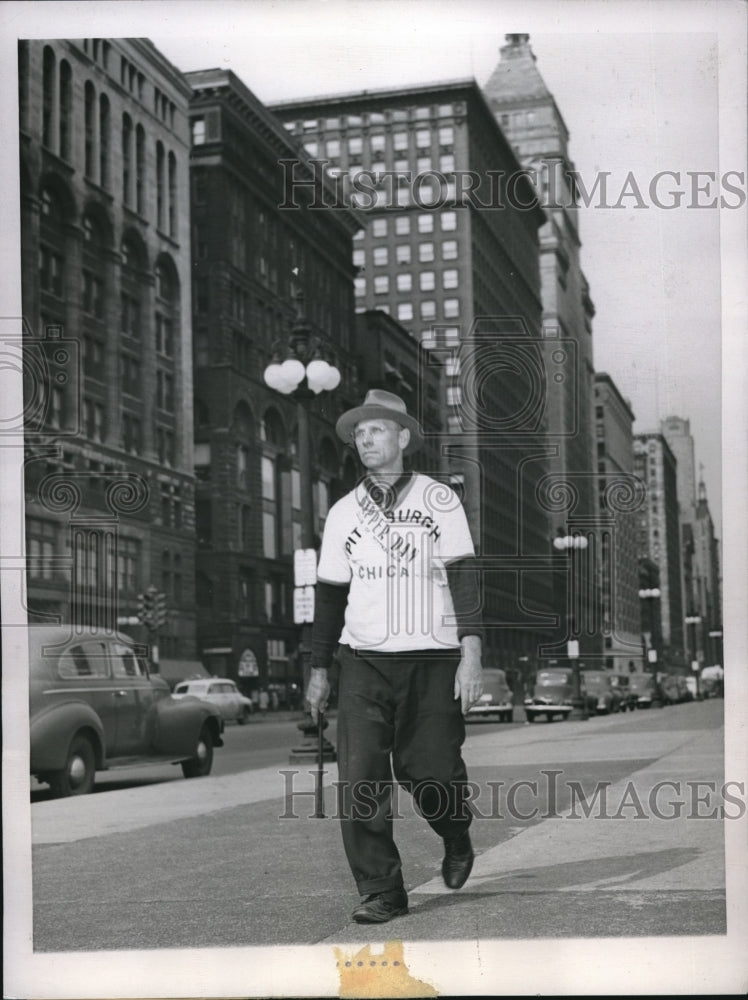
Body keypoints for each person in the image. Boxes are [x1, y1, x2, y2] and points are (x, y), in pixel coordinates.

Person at [307, 389, 483, 925]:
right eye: (359, 433)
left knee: (429, 773)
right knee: (359, 780)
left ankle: (455, 833)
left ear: (403, 437)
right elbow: (330, 592)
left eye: (377, 430)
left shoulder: (438, 499)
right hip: (362, 660)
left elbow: (464, 576)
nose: (366, 440)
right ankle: (383, 889)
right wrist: (319, 667)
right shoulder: (342, 512)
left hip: (432, 657)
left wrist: (471, 651)